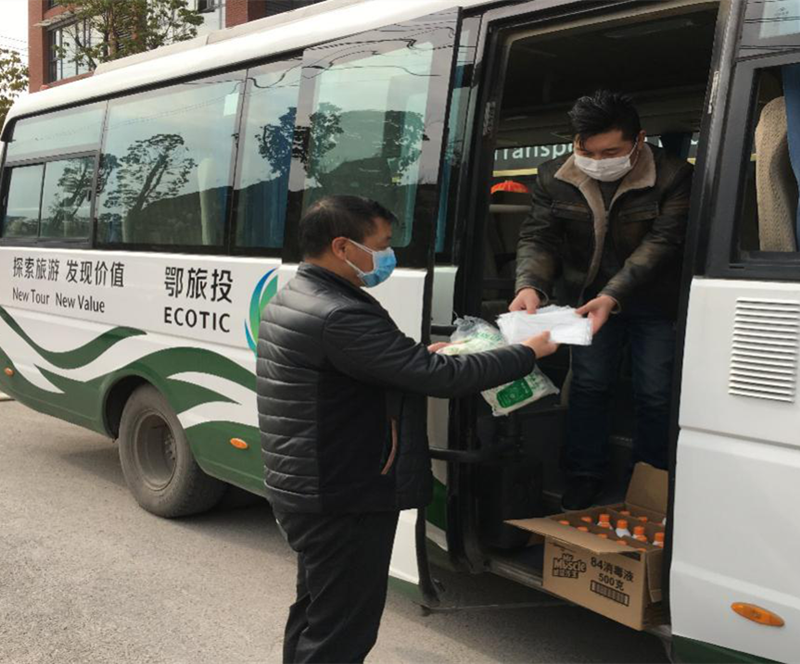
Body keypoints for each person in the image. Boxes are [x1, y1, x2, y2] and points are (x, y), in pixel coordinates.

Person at [257, 195, 558, 664]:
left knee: (318, 607)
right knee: (342, 628)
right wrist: (525, 353)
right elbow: (441, 380)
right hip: (344, 494)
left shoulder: (301, 295)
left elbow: (377, 366)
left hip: (314, 485)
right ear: (342, 247)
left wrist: (417, 359)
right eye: (381, 245)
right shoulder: (340, 312)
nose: (388, 255)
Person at [510, 90, 693, 510]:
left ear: (638, 140)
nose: (597, 160)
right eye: (586, 150)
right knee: (589, 385)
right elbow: (538, 237)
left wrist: (613, 295)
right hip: (585, 300)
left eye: (610, 152)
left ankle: (648, 480)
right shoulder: (554, 175)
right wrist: (529, 285)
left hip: (653, 298)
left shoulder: (673, 175)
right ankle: (584, 474)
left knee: (656, 391)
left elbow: (662, 244)